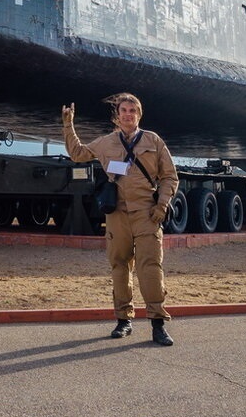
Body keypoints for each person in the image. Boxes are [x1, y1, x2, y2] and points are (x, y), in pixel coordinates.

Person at [62, 93, 179, 346]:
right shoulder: (106, 142)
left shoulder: (153, 141)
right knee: (119, 266)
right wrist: (68, 125)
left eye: (132, 111)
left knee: (150, 268)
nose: (128, 114)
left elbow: (170, 176)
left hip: (147, 213)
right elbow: (78, 154)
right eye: (124, 110)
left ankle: (158, 324)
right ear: (117, 115)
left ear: (139, 114)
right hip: (117, 214)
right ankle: (123, 320)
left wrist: (162, 205)